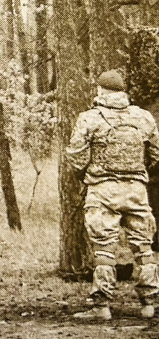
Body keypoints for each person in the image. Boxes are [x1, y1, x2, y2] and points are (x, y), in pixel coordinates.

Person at [65, 69, 159, 322]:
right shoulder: (143, 117)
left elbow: (76, 157)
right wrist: (137, 172)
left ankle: (102, 305)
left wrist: (89, 175)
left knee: (104, 248)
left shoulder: (89, 118)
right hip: (136, 190)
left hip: (102, 189)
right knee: (143, 246)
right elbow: (156, 154)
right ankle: (149, 303)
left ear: (100, 91)